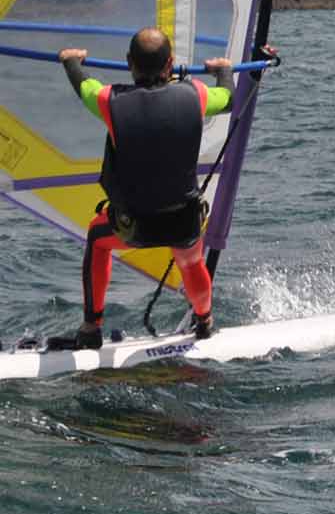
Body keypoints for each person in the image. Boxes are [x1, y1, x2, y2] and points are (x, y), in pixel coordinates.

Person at [50, 29, 233, 349]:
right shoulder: (197, 95)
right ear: (170, 64)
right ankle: (205, 321)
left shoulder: (110, 101)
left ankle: (91, 328)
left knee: (97, 238)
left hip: (134, 225)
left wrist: (71, 61)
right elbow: (228, 98)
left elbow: (84, 86)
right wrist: (224, 70)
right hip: (183, 221)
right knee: (191, 261)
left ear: (129, 63)